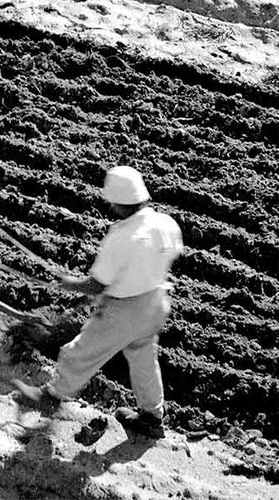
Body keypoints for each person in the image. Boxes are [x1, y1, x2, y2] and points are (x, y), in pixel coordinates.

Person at [14, 165, 184, 439]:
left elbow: (97, 284)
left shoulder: (121, 237)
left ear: (116, 202)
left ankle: (52, 397)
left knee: (79, 352)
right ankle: (152, 417)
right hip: (156, 302)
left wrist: (69, 283)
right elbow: (166, 256)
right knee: (143, 358)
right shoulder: (166, 224)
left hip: (124, 311)